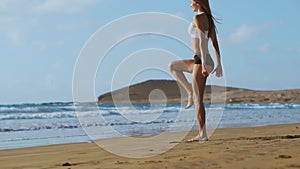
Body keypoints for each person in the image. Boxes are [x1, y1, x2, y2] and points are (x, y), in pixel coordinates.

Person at [169, 0, 223, 142]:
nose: (190, 5)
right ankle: (189, 91)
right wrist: (218, 63)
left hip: (201, 60)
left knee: (198, 101)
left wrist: (205, 63)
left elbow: (203, 42)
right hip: (201, 60)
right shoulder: (208, 18)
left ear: (198, 3)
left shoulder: (198, 18)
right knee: (173, 66)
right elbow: (215, 42)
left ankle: (202, 134)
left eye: (191, 2)